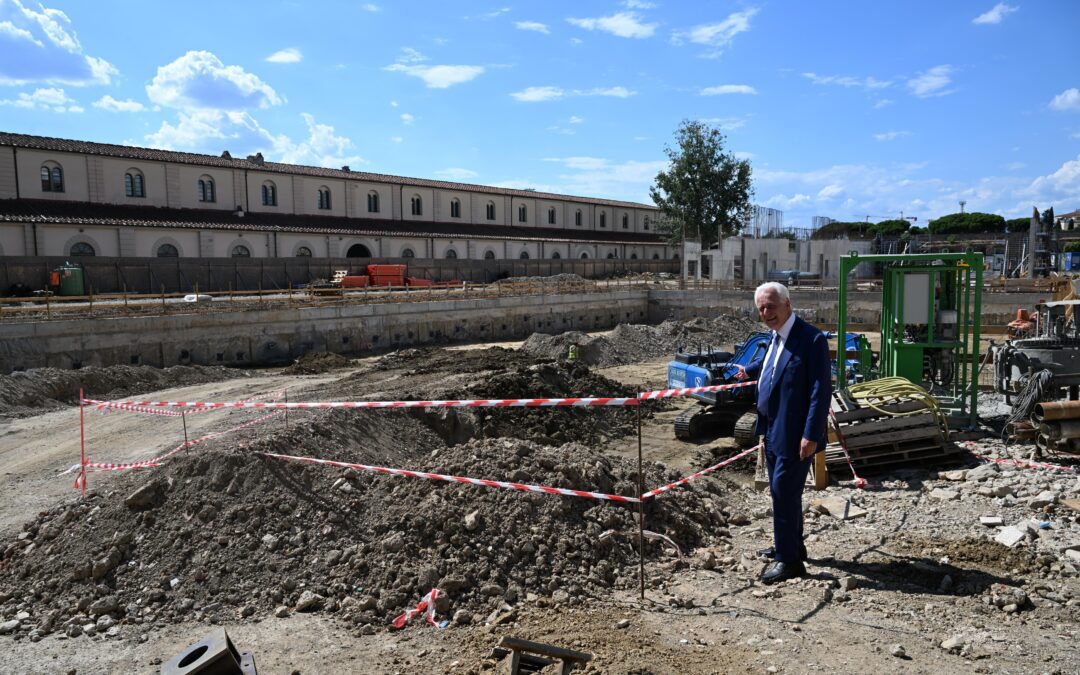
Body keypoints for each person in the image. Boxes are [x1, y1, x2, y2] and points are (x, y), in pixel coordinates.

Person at [733, 282, 831, 584]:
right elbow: (774, 363)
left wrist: (811, 434)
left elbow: (820, 391)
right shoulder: (776, 336)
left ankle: (789, 562)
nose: (766, 313)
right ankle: (791, 545)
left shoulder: (811, 339)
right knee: (783, 492)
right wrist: (750, 370)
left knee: (783, 490)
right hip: (773, 427)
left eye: (771, 306)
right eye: (761, 308)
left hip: (796, 432)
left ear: (787, 304)